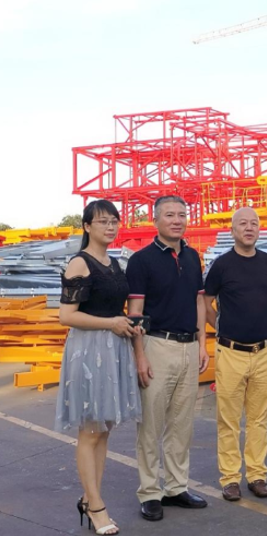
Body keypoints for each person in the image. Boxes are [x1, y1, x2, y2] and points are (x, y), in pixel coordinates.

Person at [56, 200, 141, 536]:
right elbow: (66, 315)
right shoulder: (80, 263)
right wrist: (111, 323)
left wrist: (129, 325)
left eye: (114, 221)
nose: (110, 226)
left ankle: (90, 497)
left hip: (113, 349)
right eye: (103, 221)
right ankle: (95, 507)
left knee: (103, 430)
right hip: (89, 352)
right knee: (90, 431)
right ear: (87, 226)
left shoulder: (114, 263)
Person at [127, 195, 210, 521]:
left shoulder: (192, 257)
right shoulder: (141, 261)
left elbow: (199, 302)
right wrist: (140, 356)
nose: (177, 220)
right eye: (170, 215)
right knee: (151, 424)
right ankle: (150, 492)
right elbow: (135, 312)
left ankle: (176, 487)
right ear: (155, 220)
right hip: (156, 346)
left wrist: (202, 343)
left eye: (182, 215)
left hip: (189, 347)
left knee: (181, 424)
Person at [203, 207, 267, 501]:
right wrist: (222, 326)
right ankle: (230, 478)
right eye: (243, 224)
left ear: (259, 229)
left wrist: (261, 317)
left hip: (263, 351)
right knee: (229, 420)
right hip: (231, 351)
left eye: (254, 224)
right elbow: (207, 302)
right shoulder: (222, 265)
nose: (249, 228)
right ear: (233, 230)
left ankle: (257, 475)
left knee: (259, 418)